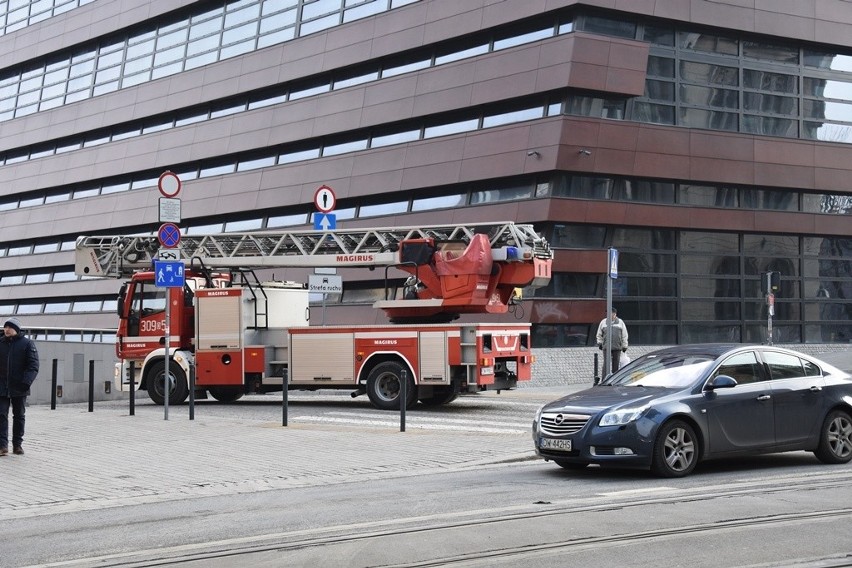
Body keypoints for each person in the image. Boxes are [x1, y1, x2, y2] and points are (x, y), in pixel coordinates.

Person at [0, 317, 39, 456]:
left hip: (19, 386)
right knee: (1, 415)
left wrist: (26, 383)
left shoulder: (27, 344)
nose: (7, 329)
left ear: (16, 329)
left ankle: (17, 445)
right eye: (5, 327)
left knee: (19, 416)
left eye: (10, 327)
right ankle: (2, 446)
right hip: (2, 386)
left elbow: (33, 366)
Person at [596, 307, 628, 374]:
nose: (608, 315)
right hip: (606, 347)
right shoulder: (603, 322)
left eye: (610, 313)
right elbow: (599, 334)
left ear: (614, 314)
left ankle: (614, 380)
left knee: (616, 365)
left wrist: (624, 346)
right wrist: (599, 343)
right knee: (606, 364)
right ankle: (604, 380)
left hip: (617, 347)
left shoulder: (620, 322)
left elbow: (624, 335)